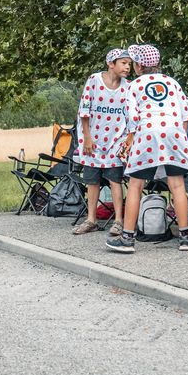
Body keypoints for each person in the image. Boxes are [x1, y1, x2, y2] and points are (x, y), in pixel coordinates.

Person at [106, 44, 188, 253]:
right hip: (174, 134)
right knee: (177, 186)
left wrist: (129, 143)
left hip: (147, 134)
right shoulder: (172, 83)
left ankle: (128, 239)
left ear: (138, 65)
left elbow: (132, 119)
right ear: (157, 64)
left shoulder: (134, 86)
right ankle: (185, 237)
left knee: (136, 185)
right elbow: (187, 116)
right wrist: (180, 139)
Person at [71, 48, 132, 236]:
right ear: (111, 63)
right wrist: (87, 137)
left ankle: (119, 220)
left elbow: (130, 115)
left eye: (129, 64)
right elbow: (85, 109)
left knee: (115, 179)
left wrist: (127, 141)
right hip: (94, 139)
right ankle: (91, 219)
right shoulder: (94, 81)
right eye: (124, 63)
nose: (128, 67)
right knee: (92, 181)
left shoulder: (128, 86)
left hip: (116, 140)